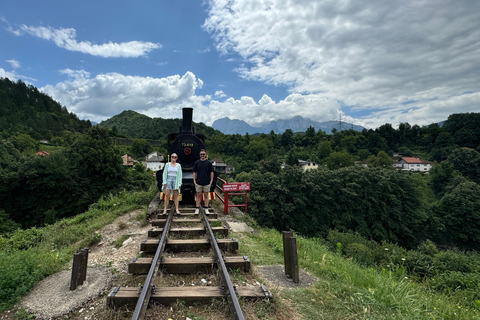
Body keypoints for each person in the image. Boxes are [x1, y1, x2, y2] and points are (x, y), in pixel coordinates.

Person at [193, 149, 214, 214]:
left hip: (207, 182)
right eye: (201, 154)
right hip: (199, 181)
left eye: (203, 154)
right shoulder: (197, 162)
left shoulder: (209, 163)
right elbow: (194, 171)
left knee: (206, 195)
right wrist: (194, 180)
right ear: (200, 155)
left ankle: (206, 208)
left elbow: (212, 172)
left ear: (205, 155)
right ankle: (197, 208)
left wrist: (211, 180)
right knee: (198, 195)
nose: (202, 155)